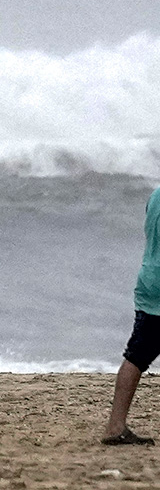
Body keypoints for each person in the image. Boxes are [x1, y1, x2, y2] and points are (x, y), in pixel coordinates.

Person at [101, 186, 160, 445]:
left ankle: (115, 425)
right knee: (137, 356)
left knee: (136, 357)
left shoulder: (156, 195)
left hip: (150, 281)